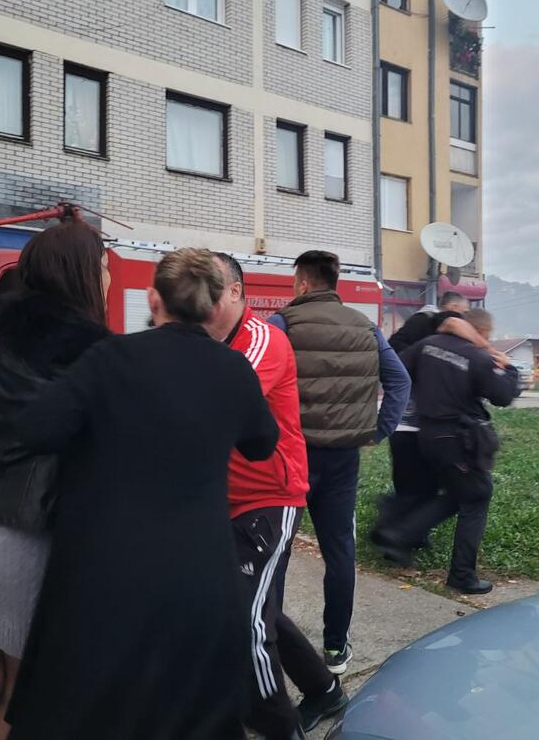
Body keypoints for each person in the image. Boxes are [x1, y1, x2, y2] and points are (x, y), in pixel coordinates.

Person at [5, 248, 278, 740]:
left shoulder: (108, 358)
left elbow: (33, 429)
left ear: (154, 299)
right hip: (198, 576)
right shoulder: (234, 369)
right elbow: (262, 444)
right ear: (216, 304)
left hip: (105, 571)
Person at [0, 222, 110, 739]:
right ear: (81, 274)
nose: (108, 275)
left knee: (4, 665)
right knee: (28, 689)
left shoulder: (13, 339)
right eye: (103, 265)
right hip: (19, 532)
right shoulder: (81, 353)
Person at [206, 253, 347, 739]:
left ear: (236, 292)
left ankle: (278, 726)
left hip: (268, 498)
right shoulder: (205, 341)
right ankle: (324, 690)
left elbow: (217, 404)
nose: (199, 300)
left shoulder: (263, 339)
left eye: (210, 288)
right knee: (252, 605)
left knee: (248, 621)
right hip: (220, 498)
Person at [268, 251, 410, 675]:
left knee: (278, 550)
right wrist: (380, 429)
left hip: (292, 457)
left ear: (303, 283)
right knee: (339, 551)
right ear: (334, 283)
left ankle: (269, 641)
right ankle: (335, 648)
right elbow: (400, 380)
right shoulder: (365, 327)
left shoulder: (282, 324)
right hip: (343, 459)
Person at [371, 308, 519, 594]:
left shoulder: (427, 345)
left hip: (426, 435)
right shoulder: (478, 356)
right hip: (459, 438)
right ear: (481, 332)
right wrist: (508, 369)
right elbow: (502, 395)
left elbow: (398, 369)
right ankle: (461, 574)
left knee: (457, 493)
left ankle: (399, 531)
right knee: (477, 495)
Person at [387, 291, 468, 352]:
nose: (465, 317)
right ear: (453, 307)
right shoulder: (422, 319)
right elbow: (395, 343)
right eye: (464, 312)